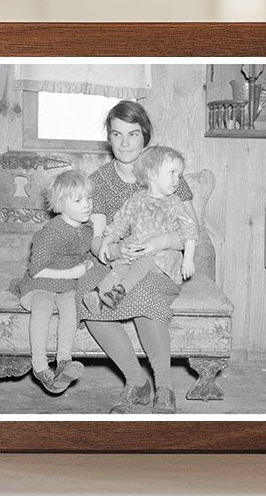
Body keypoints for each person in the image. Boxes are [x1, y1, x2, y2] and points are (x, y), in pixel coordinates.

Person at [76, 101, 197, 415]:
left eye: (133, 134)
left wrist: (160, 242)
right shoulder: (101, 180)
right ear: (109, 138)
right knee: (86, 295)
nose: (125, 142)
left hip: (161, 264)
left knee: (145, 294)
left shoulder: (168, 171)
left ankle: (164, 388)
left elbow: (190, 231)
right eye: (117, 134)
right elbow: (98, 239)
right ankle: (136, 381)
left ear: (145, 136)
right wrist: (116, 250)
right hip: (119, 262)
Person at [82, 145, 197, 313]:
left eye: (179, 175)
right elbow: (119, 224)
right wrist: (107, 242)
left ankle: (118, 294)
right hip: (136, 251)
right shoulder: (135, 200)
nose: (177, 180)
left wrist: (188, 259)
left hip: (163, 257)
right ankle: (97, 295)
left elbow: (190, 231)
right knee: (121, 267)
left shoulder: (175, 203)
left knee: (144, 263)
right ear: (151, 174)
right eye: (172, 173)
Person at [15, 169, 96, 394]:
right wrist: (73, 272)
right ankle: (40, 366)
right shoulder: (49, 233)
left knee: (71, 307)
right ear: (60, 205)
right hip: (39, 285)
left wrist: (87, 264)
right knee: (43, 306)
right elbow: (36, 271)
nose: (86, 205)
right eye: (78, 200)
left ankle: (63, 362)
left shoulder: (86, 230)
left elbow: (81, 255)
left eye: (89, 198)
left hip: (65, 286)